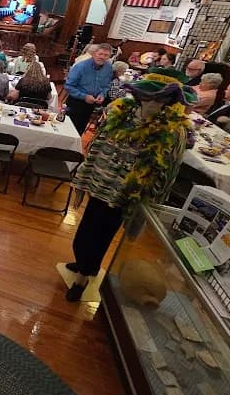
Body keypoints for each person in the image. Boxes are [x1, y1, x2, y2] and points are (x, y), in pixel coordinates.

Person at [65, 68, 195, 301]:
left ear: (170, 101)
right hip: (99, 183)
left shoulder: (173, 130)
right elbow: (99, 144)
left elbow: (166, 171)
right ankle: (85, 264)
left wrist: (149, 198)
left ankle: (83, 277)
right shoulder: (121, 113)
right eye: (147, 96)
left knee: (101, 235)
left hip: (125, 193)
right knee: (85, 230)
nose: (151, 102)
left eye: (159, 99)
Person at [64, 43, 114, 134]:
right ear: (94, 54)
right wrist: (84, 96)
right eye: (100, 54)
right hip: (76, 102)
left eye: (106, 55)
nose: (102, 57)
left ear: (109, 57)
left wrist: (102, 94)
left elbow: (106, 85)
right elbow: (68, 86)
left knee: (79, 130)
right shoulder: (80, 66)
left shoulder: (108, 68)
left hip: (91, 104)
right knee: (67, 129)